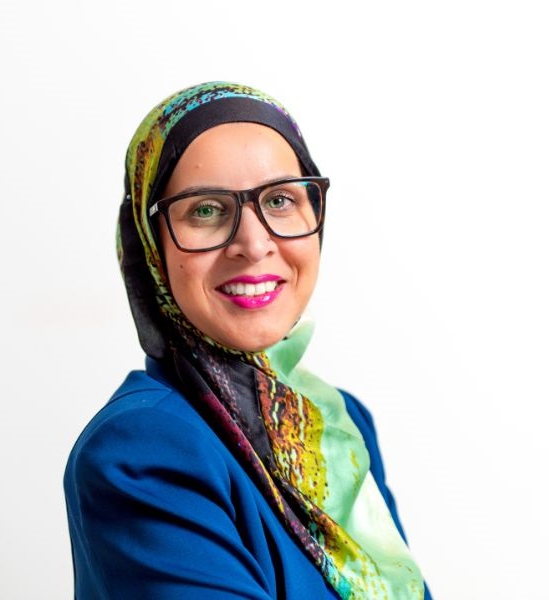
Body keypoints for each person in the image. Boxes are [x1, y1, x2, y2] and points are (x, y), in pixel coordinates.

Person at [64, 82, 432, 599]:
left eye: (280, 200)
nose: (254, 245)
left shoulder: (338, 423)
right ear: (151, 246)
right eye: (205, 210)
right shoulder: (144, 448)